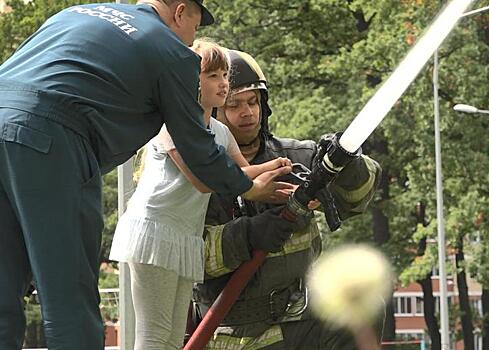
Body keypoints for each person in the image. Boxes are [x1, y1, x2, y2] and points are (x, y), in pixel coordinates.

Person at [0, 2, 289, 349]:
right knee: (69, 298)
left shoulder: (77, 13)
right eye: (195, 28)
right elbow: (197, 148)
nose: (192, 40)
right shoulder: (171, 52)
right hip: (52, 142)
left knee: (3, 286)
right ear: (180, 13)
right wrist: (250, 188)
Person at [108, 39, 296, 350]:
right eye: (213, 76)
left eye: (225, 75)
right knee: (154, 334)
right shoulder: (171, 126)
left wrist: (282, 173)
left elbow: (242, 172)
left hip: (186, 237)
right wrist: (258, 184)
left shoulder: (220, 133)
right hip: (154, 232)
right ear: (188, 80)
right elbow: (203, 180)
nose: (224, 84)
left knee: (171, 337)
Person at [190, 50, 383, 349]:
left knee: (363, 308)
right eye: (235, 105)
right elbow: (188, 257)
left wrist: (349, 166)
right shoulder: (196, 176)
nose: (248, 113)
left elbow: (358, 199)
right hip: (232, 331)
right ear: (213, 110)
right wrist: (247, 235)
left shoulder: (295, 158)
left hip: (301, 318)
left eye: (253, 102)